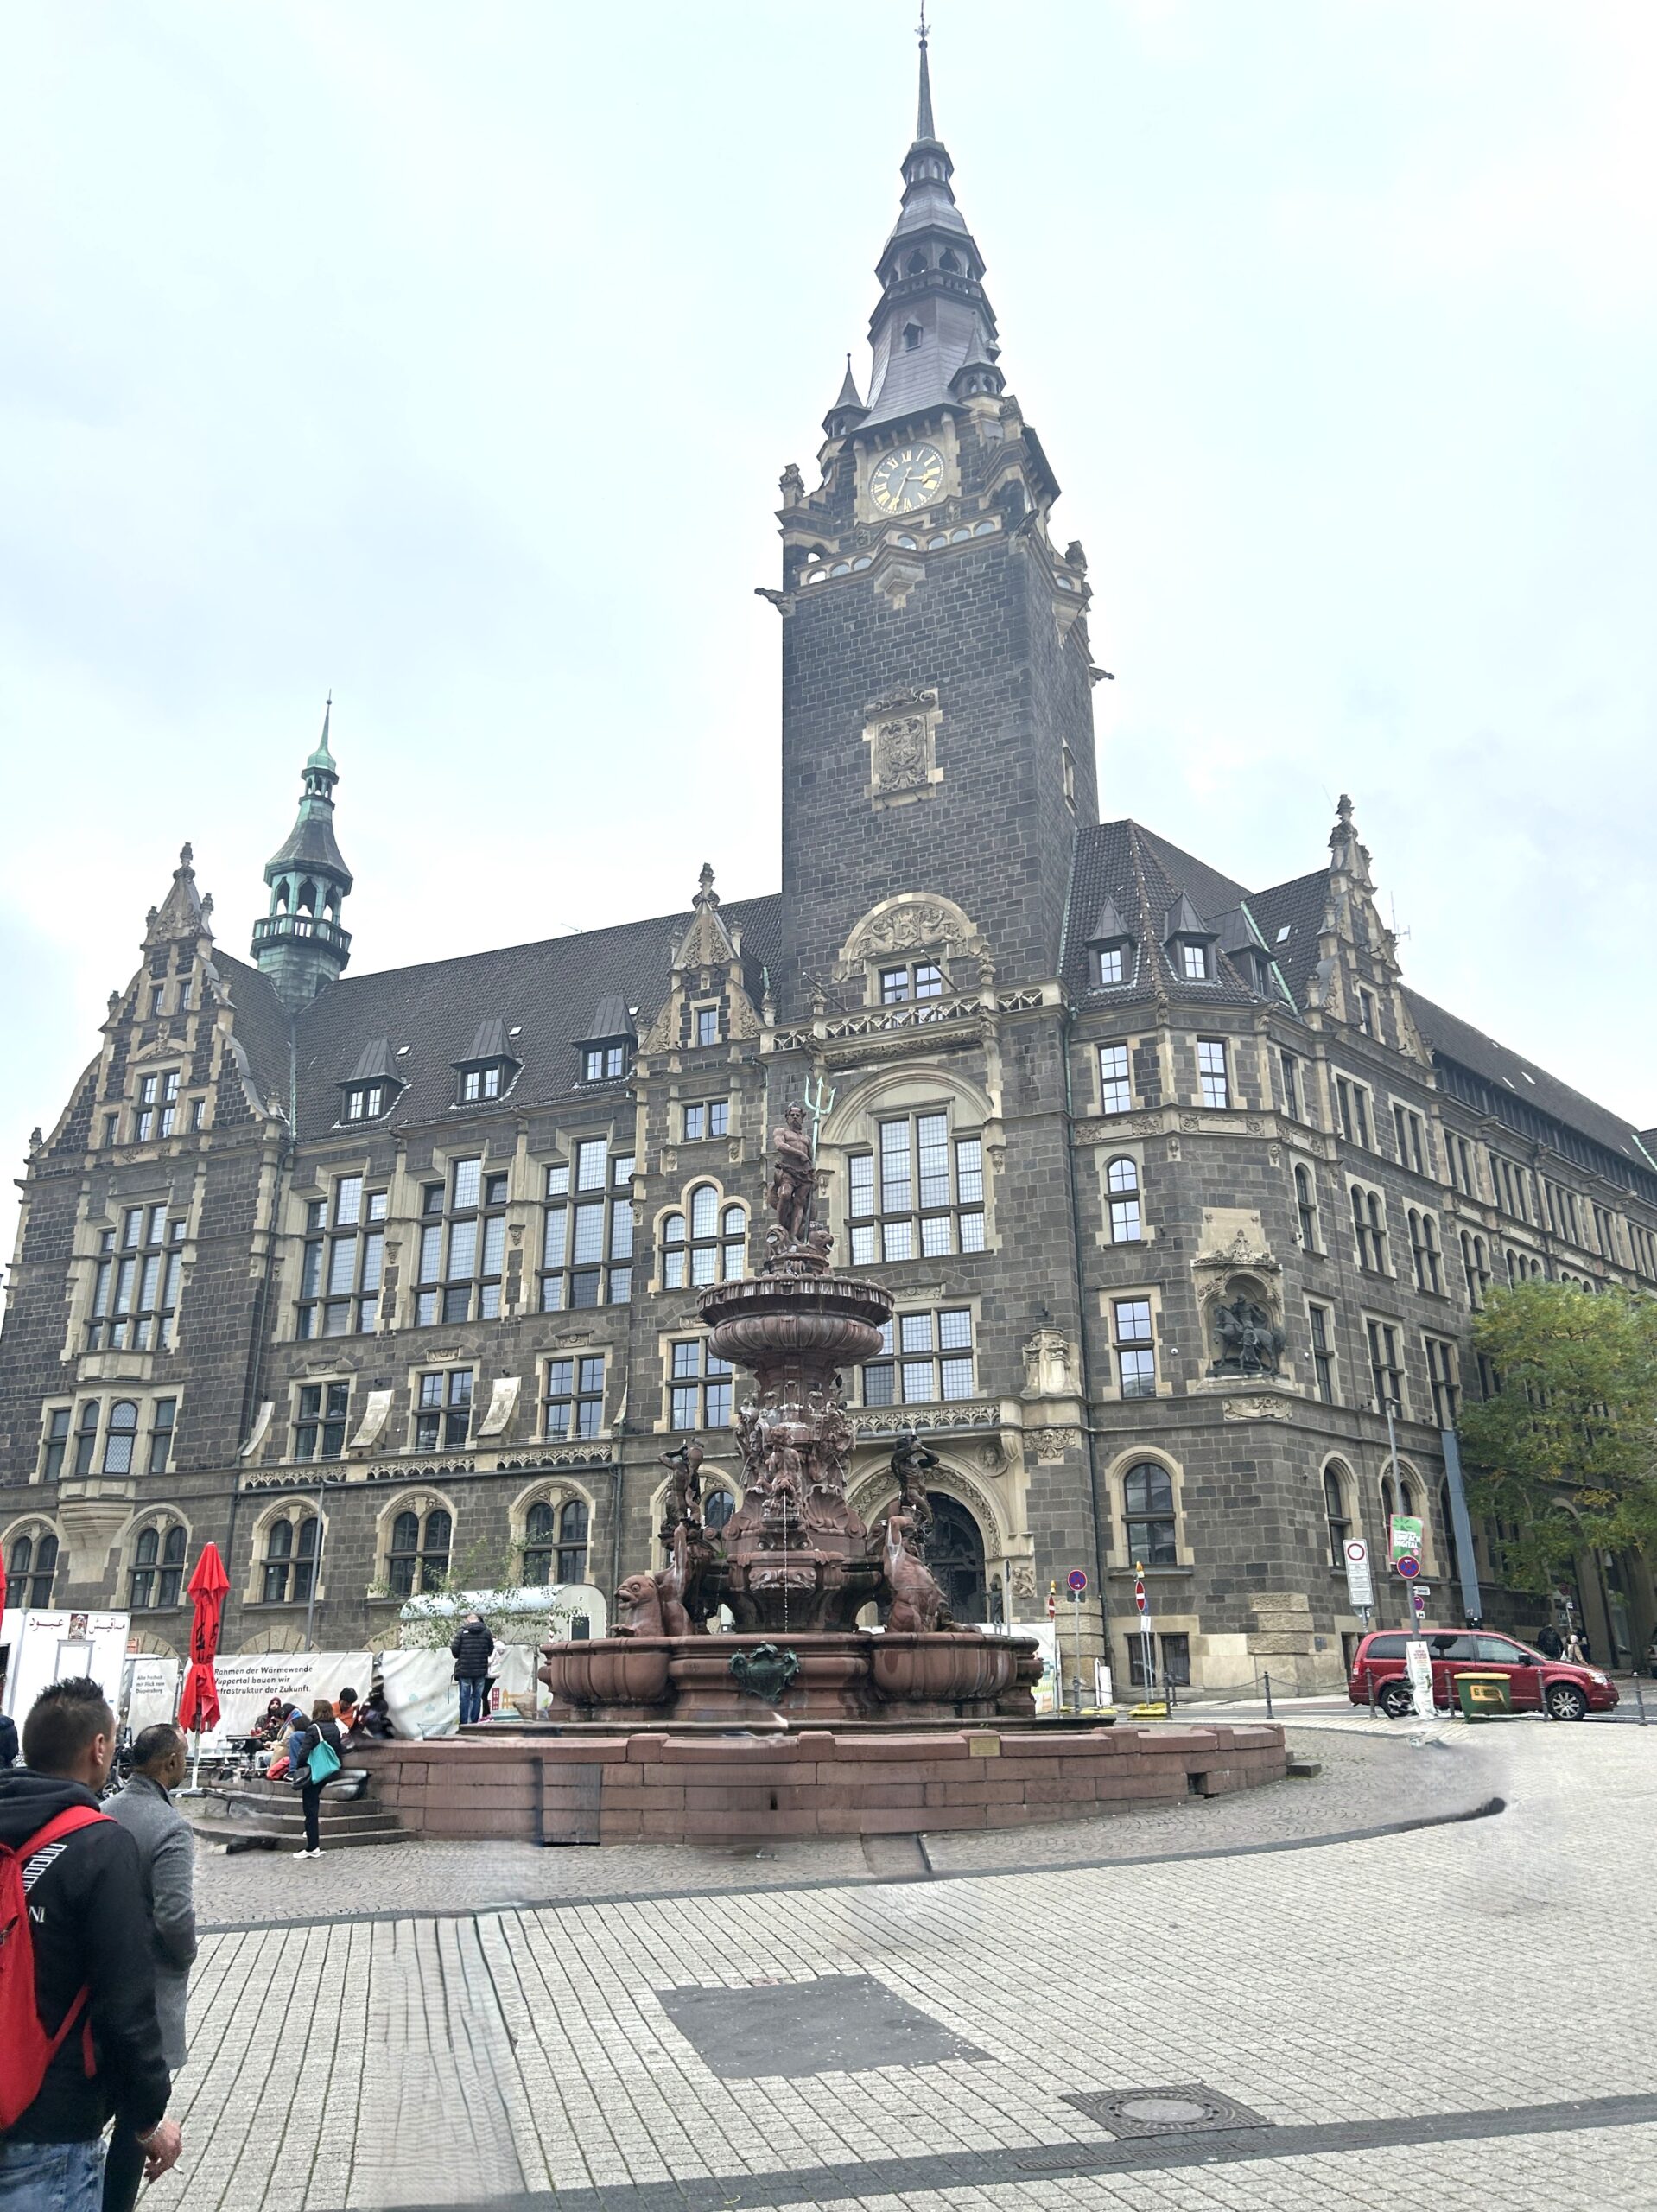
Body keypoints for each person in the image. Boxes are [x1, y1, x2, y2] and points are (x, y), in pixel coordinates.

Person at [0, 1677, 181, 2209]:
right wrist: (147, 2115)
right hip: (51, 2121)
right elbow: (124, 2000)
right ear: (99, 1748)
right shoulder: (98, 1844)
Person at [100, 1726, 196, 2212]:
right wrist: (186, 1955)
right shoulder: (170, 1827)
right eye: (183, 1757)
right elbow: (175, 1917)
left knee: (102, 2101)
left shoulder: (104, 1811)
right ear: (170, 1763)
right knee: (139, 2115)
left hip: (98, 1985)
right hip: (150, 1989)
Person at [290, 1698, 343, 1859]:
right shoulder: (335, 1727)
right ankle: (312, 1838)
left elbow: (304, 1752)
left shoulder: (313, 1728)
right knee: (313, 1806)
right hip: (328, 1771)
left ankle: (312, 1847)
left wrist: (299, 1769)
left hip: (314, 1772)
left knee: (310, 1810)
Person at [449, 1613, 494, 1728]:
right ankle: (474, 1724)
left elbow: (455, 1652)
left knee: (464, 1698)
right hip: (480, 1670)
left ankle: (464, 1724)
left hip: (464, 1671)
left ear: (468, 1620)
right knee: (477, 1697)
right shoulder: (486, 1632)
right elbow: (490, 1650)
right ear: (478, 1620)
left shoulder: (461, 1632)